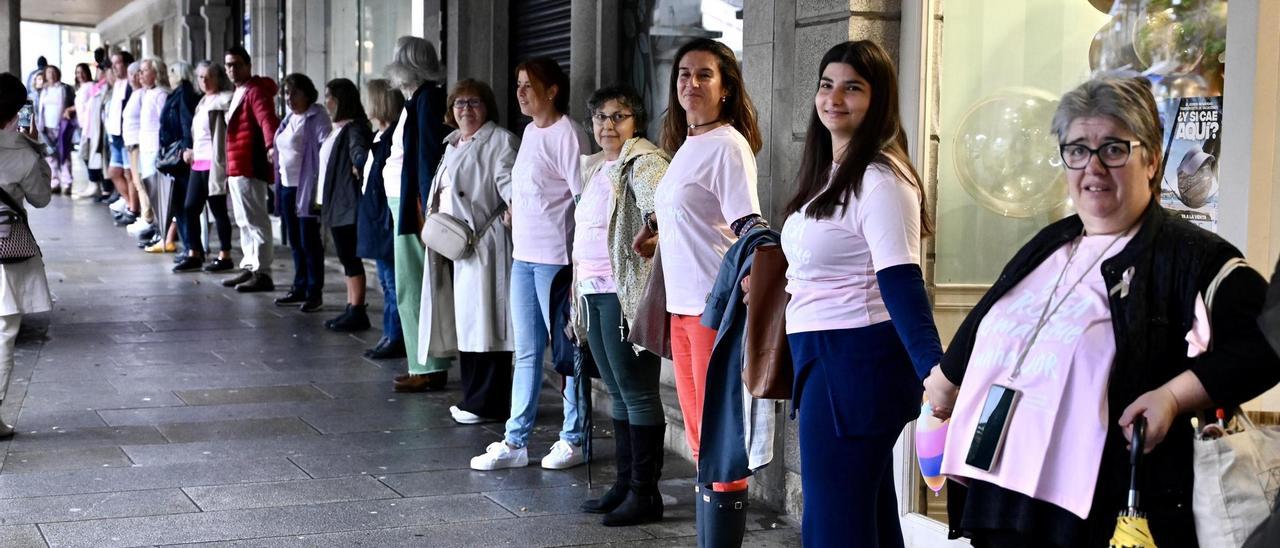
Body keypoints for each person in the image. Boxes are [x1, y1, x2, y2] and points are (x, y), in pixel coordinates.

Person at [923, 75, 1280, 548]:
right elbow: (993, 312)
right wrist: (947, 379)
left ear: (1151, 160)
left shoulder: (1189, 255)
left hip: (1095, 512)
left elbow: (1265, 344)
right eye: (1076, 150)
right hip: (1002, 493)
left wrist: (1173, 396)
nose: (1092, 167)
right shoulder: (1053, 241)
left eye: (1113, 149)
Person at [769, 41, 942, 547]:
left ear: (879, 98)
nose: (833, 98)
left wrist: (935, 373)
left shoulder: (881, 179)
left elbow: (902, 280)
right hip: (824, 358)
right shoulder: (830, 172)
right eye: (826, 85)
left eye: (852, 87)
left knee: (832, 526)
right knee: (865, 515)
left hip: (854, 363)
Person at [641, 37, 765, 545]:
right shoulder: (690, 143)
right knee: (699, 439)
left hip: (714, 311)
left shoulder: (728, 147)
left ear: (726, 87)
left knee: (718, 439)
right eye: (684, 75)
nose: (691, 84)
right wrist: (656, 229)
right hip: (682, 307)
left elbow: (748, 222)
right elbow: (694, 211)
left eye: (704, 75)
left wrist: (759, 273)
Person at [468, 57, 588, 472]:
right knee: (526, 352)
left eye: (528, 85)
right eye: (518, 84)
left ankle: (574, 438)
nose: (520, 92)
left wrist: (579, 265)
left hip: (557, 261)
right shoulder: (529, 133)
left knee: (567, 353)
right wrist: (515, 212)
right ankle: (515, 440)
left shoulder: (568, 134)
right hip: (524, 258)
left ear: (552, 90)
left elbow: (583, 200)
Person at [573, 84, 670, 526]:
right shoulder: (598, 167)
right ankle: (624, 483)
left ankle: (644, 494)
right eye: (599, 117)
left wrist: (651, 228)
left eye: (618, 117)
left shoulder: (645, 162)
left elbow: (659, 206)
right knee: (613, 389)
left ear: (636, 122)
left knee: (636, 388)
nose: (607, 125)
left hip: (624, 291)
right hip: (593, 289)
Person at [418, 78, 517, 425]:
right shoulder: (452, 143)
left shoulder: (500, 141)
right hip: (454, 246)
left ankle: (487, 402)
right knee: (468, 323)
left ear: (487, 106)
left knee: (488, 324)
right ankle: (472, 396)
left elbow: (510, 185)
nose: (466, 110)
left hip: (484, 244)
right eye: (460, 103)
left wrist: (514, 209)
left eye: (474, 102)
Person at [382, 36, 452, 392]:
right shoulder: (418, 100)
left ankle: (425, 365)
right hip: (406, 202)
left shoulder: (425, 100)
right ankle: (423, 362)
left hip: (412, 204)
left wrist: (424, 205)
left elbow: (426, 158)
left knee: (414, 285)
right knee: (412, 283)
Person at [0, 73, 54, 439]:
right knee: (3, 330)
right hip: (5, 250)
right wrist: (39, 151)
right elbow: (41, 198)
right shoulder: (21, 152)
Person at [221, 46, 280, 293]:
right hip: (236, 165)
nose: (232, 70)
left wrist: (270, 145)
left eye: (236, 64)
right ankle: (250, 264)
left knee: (256, 220)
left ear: (248, 65)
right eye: (228, 65)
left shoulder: (256, 91)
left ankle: (263, 271)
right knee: (243, 220)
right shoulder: (238, 91)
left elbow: (267, 119)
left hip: (249, 164)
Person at [272, 73, 332, 312]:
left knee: (309, 241)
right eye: (287, 93)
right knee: (295, 240)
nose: (289, 98)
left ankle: (313, 290)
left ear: (307, 94)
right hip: (287, 185)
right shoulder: (289, 118)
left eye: (294, 92)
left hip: (306, 187)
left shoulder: (317, 117)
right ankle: (299, 286)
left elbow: (325, 146)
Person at [356, 79, 407, 359]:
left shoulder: (391, 137)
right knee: (387, 281)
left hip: (387, 219)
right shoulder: (379, 135)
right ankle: (389, 333)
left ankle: (394, 336)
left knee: (392, 282)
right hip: (377, 218)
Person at [317, 78, 373, 330]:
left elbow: (360, 154)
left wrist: (358, 164)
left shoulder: (354, 128)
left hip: (347, 204)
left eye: (329, 96)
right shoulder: (338, 128)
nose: (326, 101)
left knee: (350, 257)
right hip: (337, 203)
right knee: (345, 256)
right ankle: (352, 306)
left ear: (341, 100)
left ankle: (357, 309)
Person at [174, 61, 235, 273]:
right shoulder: (202, 102)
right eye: (200, 77)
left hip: (214, 162)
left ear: (219, 78)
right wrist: (190, 150)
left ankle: (225, 255)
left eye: (209, 76)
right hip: (198, 162)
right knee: (190, 208)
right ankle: (195, 253)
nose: (204, 80)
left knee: (218, 210)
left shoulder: (225, 99)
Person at [159, 62, 198, 265]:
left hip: (180, 157)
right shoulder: (179, 93)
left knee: (182, 203)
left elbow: (186, 122)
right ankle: (188, 246)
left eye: (170, 73)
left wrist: (185, 148)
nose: (168, 77)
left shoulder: (183, 93)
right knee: (179, 204)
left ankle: (191, 247)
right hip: (177, 154)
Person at [132, 58, 171, 247]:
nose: (141, 75)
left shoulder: (161, 94)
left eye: (145, 70)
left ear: (156, 72)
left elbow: (165, 124)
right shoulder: (148, 93)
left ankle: (163, 231)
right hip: (146, 147)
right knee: (150, 191)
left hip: (156, 148)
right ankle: (157, 227)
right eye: (140, 71)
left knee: (158, 192)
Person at [104, 50, 136, 210]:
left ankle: (133, 208)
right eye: (113, 63)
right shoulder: (116, 84)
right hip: (114, 135)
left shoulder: (130, 85)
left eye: (117, 63)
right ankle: (130, 203)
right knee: (114, 172)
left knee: (129, 173)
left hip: (126, 136)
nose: (114, 67)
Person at [36, 65, 74, 194]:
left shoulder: (64, 88)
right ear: (45, 75)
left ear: (58, 74)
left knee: (64, 154)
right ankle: (54, 182)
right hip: (46, 127)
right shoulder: (44, 90)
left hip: (61, 127)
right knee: (50, 156)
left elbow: (71, 104)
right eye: (48, 72)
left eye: (53, 72)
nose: (51, 75)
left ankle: (67, 182)